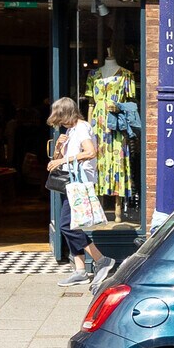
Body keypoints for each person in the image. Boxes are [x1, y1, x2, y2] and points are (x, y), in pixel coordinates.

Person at [47, 98, 111, 287]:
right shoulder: (70, 130)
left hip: (79, 183)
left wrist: (62, 160)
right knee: (72, 225)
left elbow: (91, 152)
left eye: (60, 117)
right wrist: (58, 149)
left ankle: (102, 260)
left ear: (66, 113)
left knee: (67, 226)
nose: (59, 122)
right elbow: (60, 159)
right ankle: (80, 270)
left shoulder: (82, 127)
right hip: (69, 183)